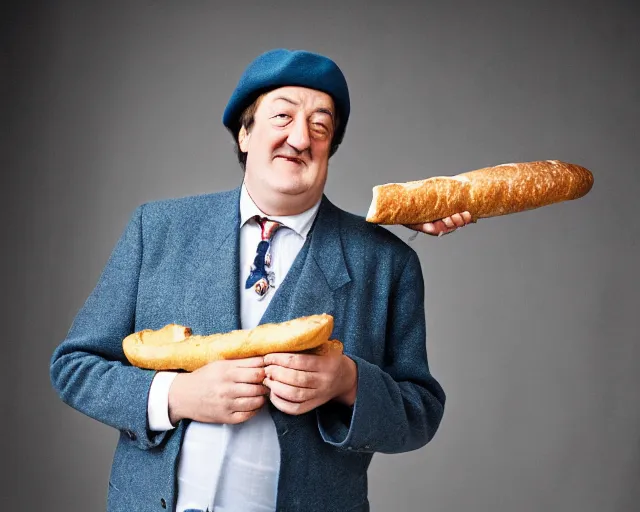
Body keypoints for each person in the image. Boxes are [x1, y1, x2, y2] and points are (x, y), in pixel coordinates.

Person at [50, 49, 472, 512]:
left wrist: (349, 382)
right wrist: (176, 395)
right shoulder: (158, 230)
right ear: (245, 133)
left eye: (320, 125)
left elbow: (421, 412)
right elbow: (75, 366)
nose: (299, 137)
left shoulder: (387, 262)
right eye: (282, 115)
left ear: (330, 147)